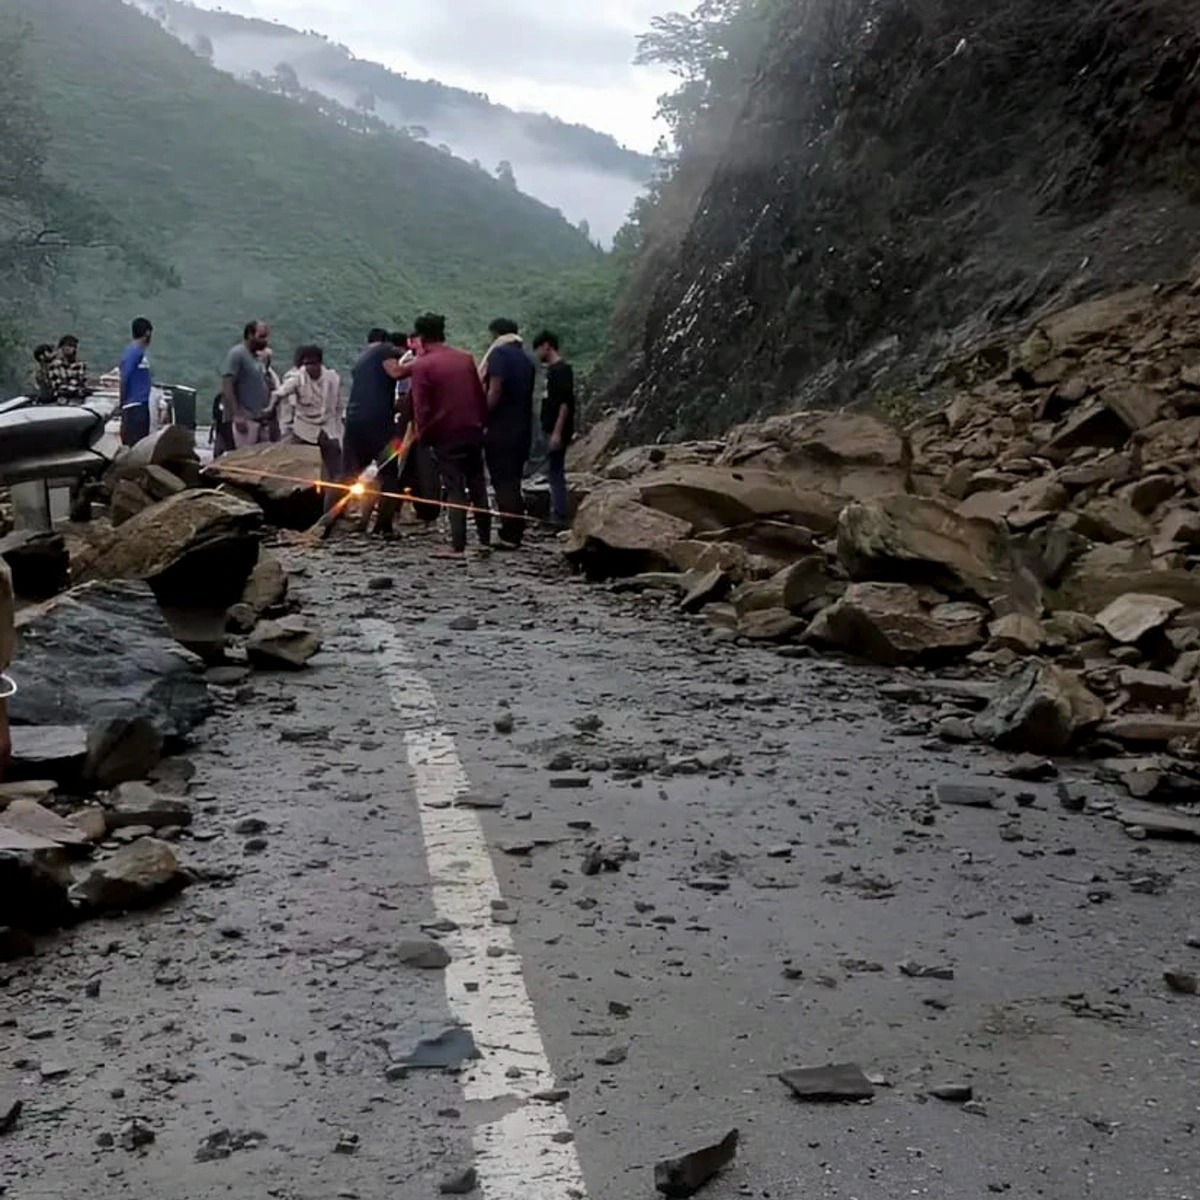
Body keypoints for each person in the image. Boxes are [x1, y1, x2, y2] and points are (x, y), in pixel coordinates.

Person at [410, 312, 491, 558]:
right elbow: (478, 395)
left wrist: (423, 436)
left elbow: (421, 407)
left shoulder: (422, 365)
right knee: (477, 484)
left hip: (445, 433)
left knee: (454, 487)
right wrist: (482, 424)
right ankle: (485, 539)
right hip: (472, 429)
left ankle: (458, 545)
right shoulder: (465, 359)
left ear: (421, 337)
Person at [344, 327, 407, 536]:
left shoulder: (361, 359)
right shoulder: (385, 350)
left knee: (352, 472)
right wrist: (421, 363)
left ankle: (339, 520)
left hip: (354, 422)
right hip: (380, 425)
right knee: (389, 473)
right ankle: (384, 526)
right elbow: (396, 372)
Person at [479, 317, 535, 547]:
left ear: (496, 334)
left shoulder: (499, 355)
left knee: (503, 481)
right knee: (513, 479)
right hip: (523, 428)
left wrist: (481, 416)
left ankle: (510, 533)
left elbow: (494, 390)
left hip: (501, 428)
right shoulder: (526, 358)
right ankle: (515, 529)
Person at [272, 344, 343, 509]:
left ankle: (330, 508)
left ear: (320, 363)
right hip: (302, 430)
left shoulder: (332, 379)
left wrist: (338, 428)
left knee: (336, 472)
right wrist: (283, 425)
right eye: (306, 364)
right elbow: (283, 398)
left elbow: (338, 406)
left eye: (312, 363)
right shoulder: (296, 378)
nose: (309, 367)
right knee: (295, 470)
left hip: (328, 429)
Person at [532, 330, 576, 527]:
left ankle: (559, 514)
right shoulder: (552, 370)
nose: (538, 353)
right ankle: (556, 511)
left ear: (547, 346)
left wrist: (557, 432)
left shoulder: (561, 371)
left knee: (555, 471)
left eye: (539, 349)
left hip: (556, 429)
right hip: (549, 426)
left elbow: (565, 403)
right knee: (552, 470)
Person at [221, 321, 273, 449]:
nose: (265, 341)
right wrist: (237, 415)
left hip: (260, 418)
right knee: (245, 455)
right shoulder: (237, 354)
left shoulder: (257, 357)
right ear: (250, 335)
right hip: (245, 420)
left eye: (266, 337)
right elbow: (227, 385)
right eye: (261, 337)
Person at [119, 317, 154, 446]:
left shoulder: (141, 353)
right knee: (133, 445)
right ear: (147, 333)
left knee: (141, 444)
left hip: (143, 405)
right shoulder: (133, 352)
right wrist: (122, 403)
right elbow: (124, 378)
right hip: (133, 407)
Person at [44, 335, 93, 405]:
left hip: (79, 402)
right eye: (66, 346)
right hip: (61, 401)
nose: (68, 348)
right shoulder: (55, 365)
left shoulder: (80, 365)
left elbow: (83, 382)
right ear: (61, 348)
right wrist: (75, 390)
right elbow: (57, 386)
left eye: (71, 346)